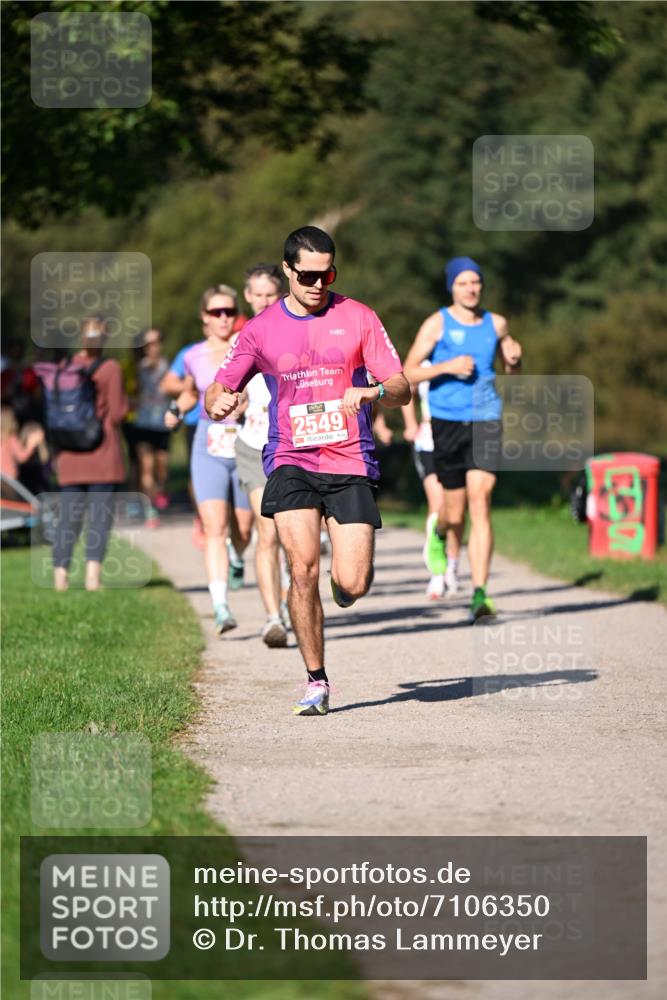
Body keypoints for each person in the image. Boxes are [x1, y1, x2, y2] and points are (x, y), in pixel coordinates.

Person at [205, 226, 410, 716]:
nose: (319, 284)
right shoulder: (258, 331)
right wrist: (219, 401)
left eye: (328, 274)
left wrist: (375, 392)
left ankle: (346, 585)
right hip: (291, 458)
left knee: (353, 582)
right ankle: (316, 680)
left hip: (350, 458)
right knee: (301, 568)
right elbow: (217, 390)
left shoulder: (358, 317)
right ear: (288, 271)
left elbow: (402, 387)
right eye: (309, 275)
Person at [403, 257, 522, 622]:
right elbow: (406, 373)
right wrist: (446, 367)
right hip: (446, 422)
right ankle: (439, 535)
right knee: (453, 514)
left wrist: (515, 361)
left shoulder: (496, 323)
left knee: (480, 501)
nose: (471, 289)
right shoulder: (437, 323)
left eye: (476, 283)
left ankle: (480, 594)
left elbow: (512, 374)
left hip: (486, 418)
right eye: (463, 283)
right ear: (451, 287)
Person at [165, 285, 253, 634]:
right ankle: (220, 606)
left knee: (243, 529)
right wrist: (176, 409)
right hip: (208, 444)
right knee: (214, 526)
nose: (223, 318)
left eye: (229, 311)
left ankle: (236, 552)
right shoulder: (194, 355)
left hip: (245, 443)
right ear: (204, 317)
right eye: (216, 312)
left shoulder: (249, 347)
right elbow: (189, 392)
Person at [46, 317, 128, 591]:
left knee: (68, 517)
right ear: (104, 339)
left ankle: (60, 577)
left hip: (69, 455)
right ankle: (93, 577)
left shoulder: (64, 367)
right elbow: (117, 413)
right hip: (102, 453)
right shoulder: (111, 368)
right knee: (99, 517)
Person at [234, 263, 290, 648]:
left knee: (295, 536)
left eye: (272, 294)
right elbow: (228, 383)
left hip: (292, 443)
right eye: (259, 294)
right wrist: (231, 399)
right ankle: (273, 618)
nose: (265, 300)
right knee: (266, 531)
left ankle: (293, 604)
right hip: (254, 444)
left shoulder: (296, 330)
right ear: (248, 296)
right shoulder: (243, 337)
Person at [402, 363, 461, 599]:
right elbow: (406, 385)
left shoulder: (464, 354)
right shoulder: (426, 360)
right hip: (428, 440)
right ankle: (437, 572)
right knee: (438, 503)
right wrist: (411, 424)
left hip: (459, 438)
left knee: (457, 508)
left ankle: (452, 567)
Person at [124, 328, 171, 525]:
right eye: (148, 344)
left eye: (156, 342)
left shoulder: (167, 365)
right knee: (146, 466)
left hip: (161, 422)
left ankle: (157, 492)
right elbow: (127, 391)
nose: (153, 347)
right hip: (142, 423)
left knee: (162, 468)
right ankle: (150, 510)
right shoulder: (136, 367)